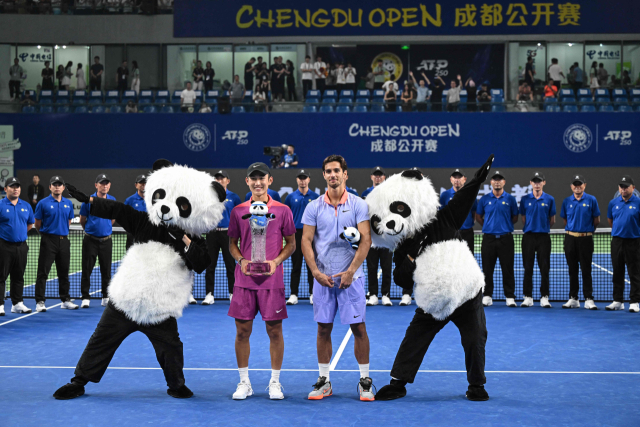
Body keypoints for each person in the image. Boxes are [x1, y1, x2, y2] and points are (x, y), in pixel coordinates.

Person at [301, 154, 375, 401]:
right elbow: (306, 241)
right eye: (328, 171)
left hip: (351, 279)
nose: (332, 175)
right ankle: (325, 381)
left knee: (358, 328)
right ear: (324, 175)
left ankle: (365, 381)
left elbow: (366, 240)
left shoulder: (358, 205)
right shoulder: (313, 207)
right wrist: (316, 273)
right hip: (323, 279)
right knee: (323, 329)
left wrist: (351, 272)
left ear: (345, 174)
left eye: (336, 170)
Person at [227, 162, 296, 400]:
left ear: (270, 180)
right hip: (244, 281)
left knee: (274, 331)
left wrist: (276, 261)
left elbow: (292, 243)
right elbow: (232, 244)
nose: (257, 182)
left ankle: (275, 382)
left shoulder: (283, 210)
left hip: (271, 281)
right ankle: (244, 382)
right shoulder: (237, 211)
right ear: (247, 181)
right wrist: (240, 261)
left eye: (261, 178)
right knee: (242, 332)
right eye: (252, 178)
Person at [34, 176, 77, 312]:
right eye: (54, 184)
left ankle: (65, 300)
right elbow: (37, 224)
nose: (57, 187)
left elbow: (68, 222)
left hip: (64, 241)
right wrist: (48, 236)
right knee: (43, 272)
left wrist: (61, 233)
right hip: (48, 240)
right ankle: (40, 301)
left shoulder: (68, 203)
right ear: (50, 187)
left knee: (64, 272)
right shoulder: (42, 203)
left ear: (63, 188)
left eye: (59, 185)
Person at [476, 171, 518, 307]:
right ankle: (487, 295)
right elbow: (478, 217)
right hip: (488, 239)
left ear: (504, 182)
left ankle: (510, 297)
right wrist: (489, 227)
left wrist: (504, 226)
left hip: (506, 239)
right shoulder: (484, 199)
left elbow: (515, 217)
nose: (497, 182)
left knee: (508, 269)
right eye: (495, 179)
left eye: (500, 179)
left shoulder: (510, 199)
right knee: (487, 269)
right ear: (491, 182)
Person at [560, 175, 600, 310]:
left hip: (586, 239)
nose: (577, 187)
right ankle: (573, 298)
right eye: (575, 185)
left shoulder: (591, 200)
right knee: (572, 270)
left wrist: (586, 232)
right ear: (571, 186)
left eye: (580, 184)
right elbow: (565, 220)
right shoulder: (566, 201)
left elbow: (596, 220)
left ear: (584, 185)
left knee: (586, 269)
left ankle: (588, 298)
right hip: (570, 239)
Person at [203, 170, 242, 305]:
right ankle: (209, 294)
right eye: (217, 179)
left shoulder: (234, 197)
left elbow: (239, 217)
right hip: (212, 233)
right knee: (210, 265)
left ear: (228, 181)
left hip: (228, 234)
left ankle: (232, 293)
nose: (220, 181)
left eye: (222, 178)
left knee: (230, 265)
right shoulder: (208, 197)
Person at [519, 172, 556, 308]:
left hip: (543, 238)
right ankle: (528, 297)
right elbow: (523, 218)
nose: (537, 184)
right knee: (528, 268)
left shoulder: (550, 199)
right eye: (535, 181)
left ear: (543, 183)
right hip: (528, 237)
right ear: (531, 183)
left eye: (539, 181)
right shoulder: (524, 199)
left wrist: (542, 227)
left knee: (544, 268)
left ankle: (544, 297)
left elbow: (552, 220)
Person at [79, 174, 116, 309]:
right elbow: (83, 220)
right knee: (87, 269)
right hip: (90, 241)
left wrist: (104, 230)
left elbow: (112, 220)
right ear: (96, 185)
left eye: (107, 183)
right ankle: (85, 297)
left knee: (106, 270)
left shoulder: (113, 200)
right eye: (102, 183)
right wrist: (91, 230)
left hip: (106, 241)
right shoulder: (88, 201)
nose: (104, 186)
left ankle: (105, 296)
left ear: (109, 185)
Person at [0, 177, 35, 316]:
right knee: (1, 276)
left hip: (21, 247)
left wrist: (18, 236)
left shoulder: (26, 206)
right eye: (12, 186)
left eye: (17, 186)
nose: (15, 189)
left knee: (18, 276)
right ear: (5, 189)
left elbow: (29, 224)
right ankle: (0, 304)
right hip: (4, 246)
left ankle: (17, 303)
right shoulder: (1, 205)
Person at [284, 169, 320, 305]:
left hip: (311, 234)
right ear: (297, 180)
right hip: (296, 234)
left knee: (312, 265)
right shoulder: (290, 197)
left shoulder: (316, 197)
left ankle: (313, 293)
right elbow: (286, 217)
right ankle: (293, 295)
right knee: (296, 265)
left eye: (305, 178)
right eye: (300, 178)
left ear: (309, 180)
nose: (302, 180)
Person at [606, 176, 640, 312]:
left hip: (633, 242)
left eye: (626, 186)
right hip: (617, 242)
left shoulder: (638, 202)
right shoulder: (613, 203)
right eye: (621, 186)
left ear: (633, 187)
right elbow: (610, 220)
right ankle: (618, 301)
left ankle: (634, 301)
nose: (623, 189)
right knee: (617, 272)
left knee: (634, 273)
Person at [362, 167, 395, 306]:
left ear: (384, 177)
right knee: (371, 267)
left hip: (386, 238)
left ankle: (386, 295)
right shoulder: (365, 194)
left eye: (380, 175)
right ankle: (373, 295)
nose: (378, 178)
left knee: (387, 267)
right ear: (371, 177)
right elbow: (362, 216)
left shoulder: (391, 194)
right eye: (375, 175)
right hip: (371, 238)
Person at [440, 169, 477, 255]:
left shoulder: (471, 194)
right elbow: (441, 214)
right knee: (450, 260)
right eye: (454, 177)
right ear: (451, 179)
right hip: (450, 234)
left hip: (467, 234)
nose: (457, 180)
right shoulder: (445, 195)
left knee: (468, 260)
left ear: (465, 179)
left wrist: (466, 225)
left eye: (459, 177)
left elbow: (474, 213)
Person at [123, 174, 147, 250]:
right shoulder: (129, 200)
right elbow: (123, 216)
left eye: (145, 183)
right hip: (133, 235)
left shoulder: (152, 200)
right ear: (136, 185)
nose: (143, 185)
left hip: (148, 234)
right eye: (141, 183)